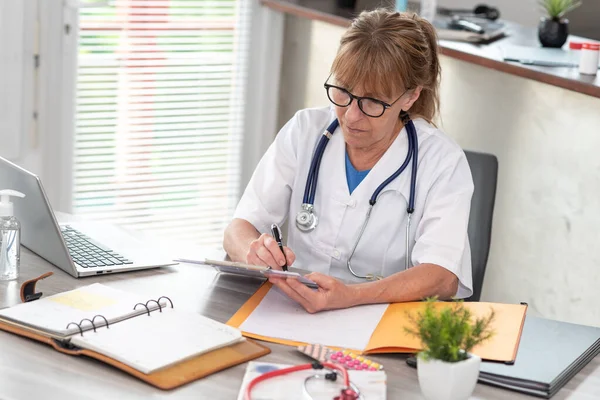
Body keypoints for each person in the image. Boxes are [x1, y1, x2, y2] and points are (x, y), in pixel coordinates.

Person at [223, 9, 474, 313]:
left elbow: (442, 276)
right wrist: (254, 253)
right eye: (343, 91)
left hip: (382, 321)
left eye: (373, 102)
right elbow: (239, 227)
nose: (351, 115)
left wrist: (351, 296)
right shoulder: (306, 131)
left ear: (409, 97)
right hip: (294, 312)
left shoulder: (442, 162)